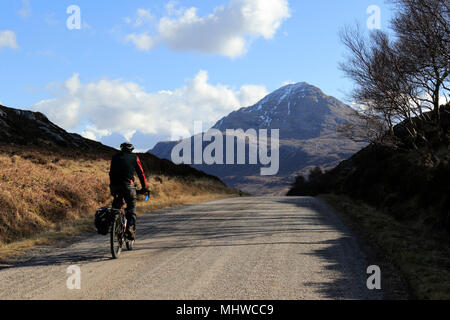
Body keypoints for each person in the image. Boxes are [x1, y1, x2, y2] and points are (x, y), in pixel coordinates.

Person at [109, 142, 149, 240]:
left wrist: (112, 186)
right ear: (131, 150)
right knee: (131, 207)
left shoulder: (115, 157)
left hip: (114, 187)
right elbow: (141, 173)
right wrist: (144, 188)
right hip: (128, 186)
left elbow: (111, 172)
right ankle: (130, 227)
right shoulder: (134, 157)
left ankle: (116, 223)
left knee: (117, 205)